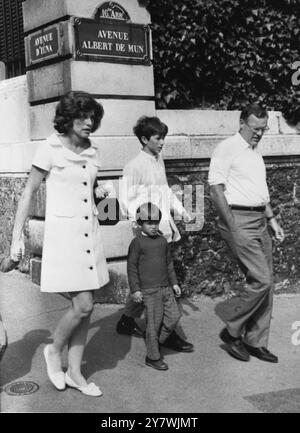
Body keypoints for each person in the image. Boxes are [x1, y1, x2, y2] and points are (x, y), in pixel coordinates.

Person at [10, 91, 110, 396]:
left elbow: (86, 189)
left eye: (93, 117)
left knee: (87, 308)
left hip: (89, 235)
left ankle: (76, 373)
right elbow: (28, 193)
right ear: (67, 119)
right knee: (83, 304)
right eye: (83, 116)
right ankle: (54, 350)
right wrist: (16, 238)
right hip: (65, 238)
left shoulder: (92, 150)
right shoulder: (49, 148)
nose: (89, 122)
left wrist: (100, 191)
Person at [208, 103, 284, 363]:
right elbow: (215, 188)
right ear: (241, 122)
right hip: (238, 219)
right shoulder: (226, 148)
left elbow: (260, 192)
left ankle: (255, 341)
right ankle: (231, 330)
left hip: (259, 220)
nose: (259, 134)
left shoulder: (255, 154)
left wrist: (272, 219)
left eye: (263, 129)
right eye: (255, 128)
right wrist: (231, 223)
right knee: (260, 279)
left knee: (268, 281)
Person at [116, 116, 194, 353]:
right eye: (158, 138)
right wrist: (140, 226)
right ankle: (166, 333)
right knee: (156, 284)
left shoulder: (158, 160)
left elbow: (165, 192)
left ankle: (127, 320)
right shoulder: (134, 165)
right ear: (144, 139)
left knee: (155, 281)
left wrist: (182, 211)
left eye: (163, 138)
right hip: (147, 233)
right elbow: (123, 200)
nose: (162, 142)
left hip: (164, 228)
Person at [127, 202, 182, 370]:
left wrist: (174, 283)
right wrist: (135, 289)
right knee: (154, 323)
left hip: (165, 287)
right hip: (149, 291)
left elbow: (169, 264)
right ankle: (152, 356)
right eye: (149, 223)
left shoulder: (162, 241)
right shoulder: (137, 243)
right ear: (139, 223)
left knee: (174, 317)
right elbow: (132, 267)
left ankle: (157, 342)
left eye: (156, 222)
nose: (153, 226)